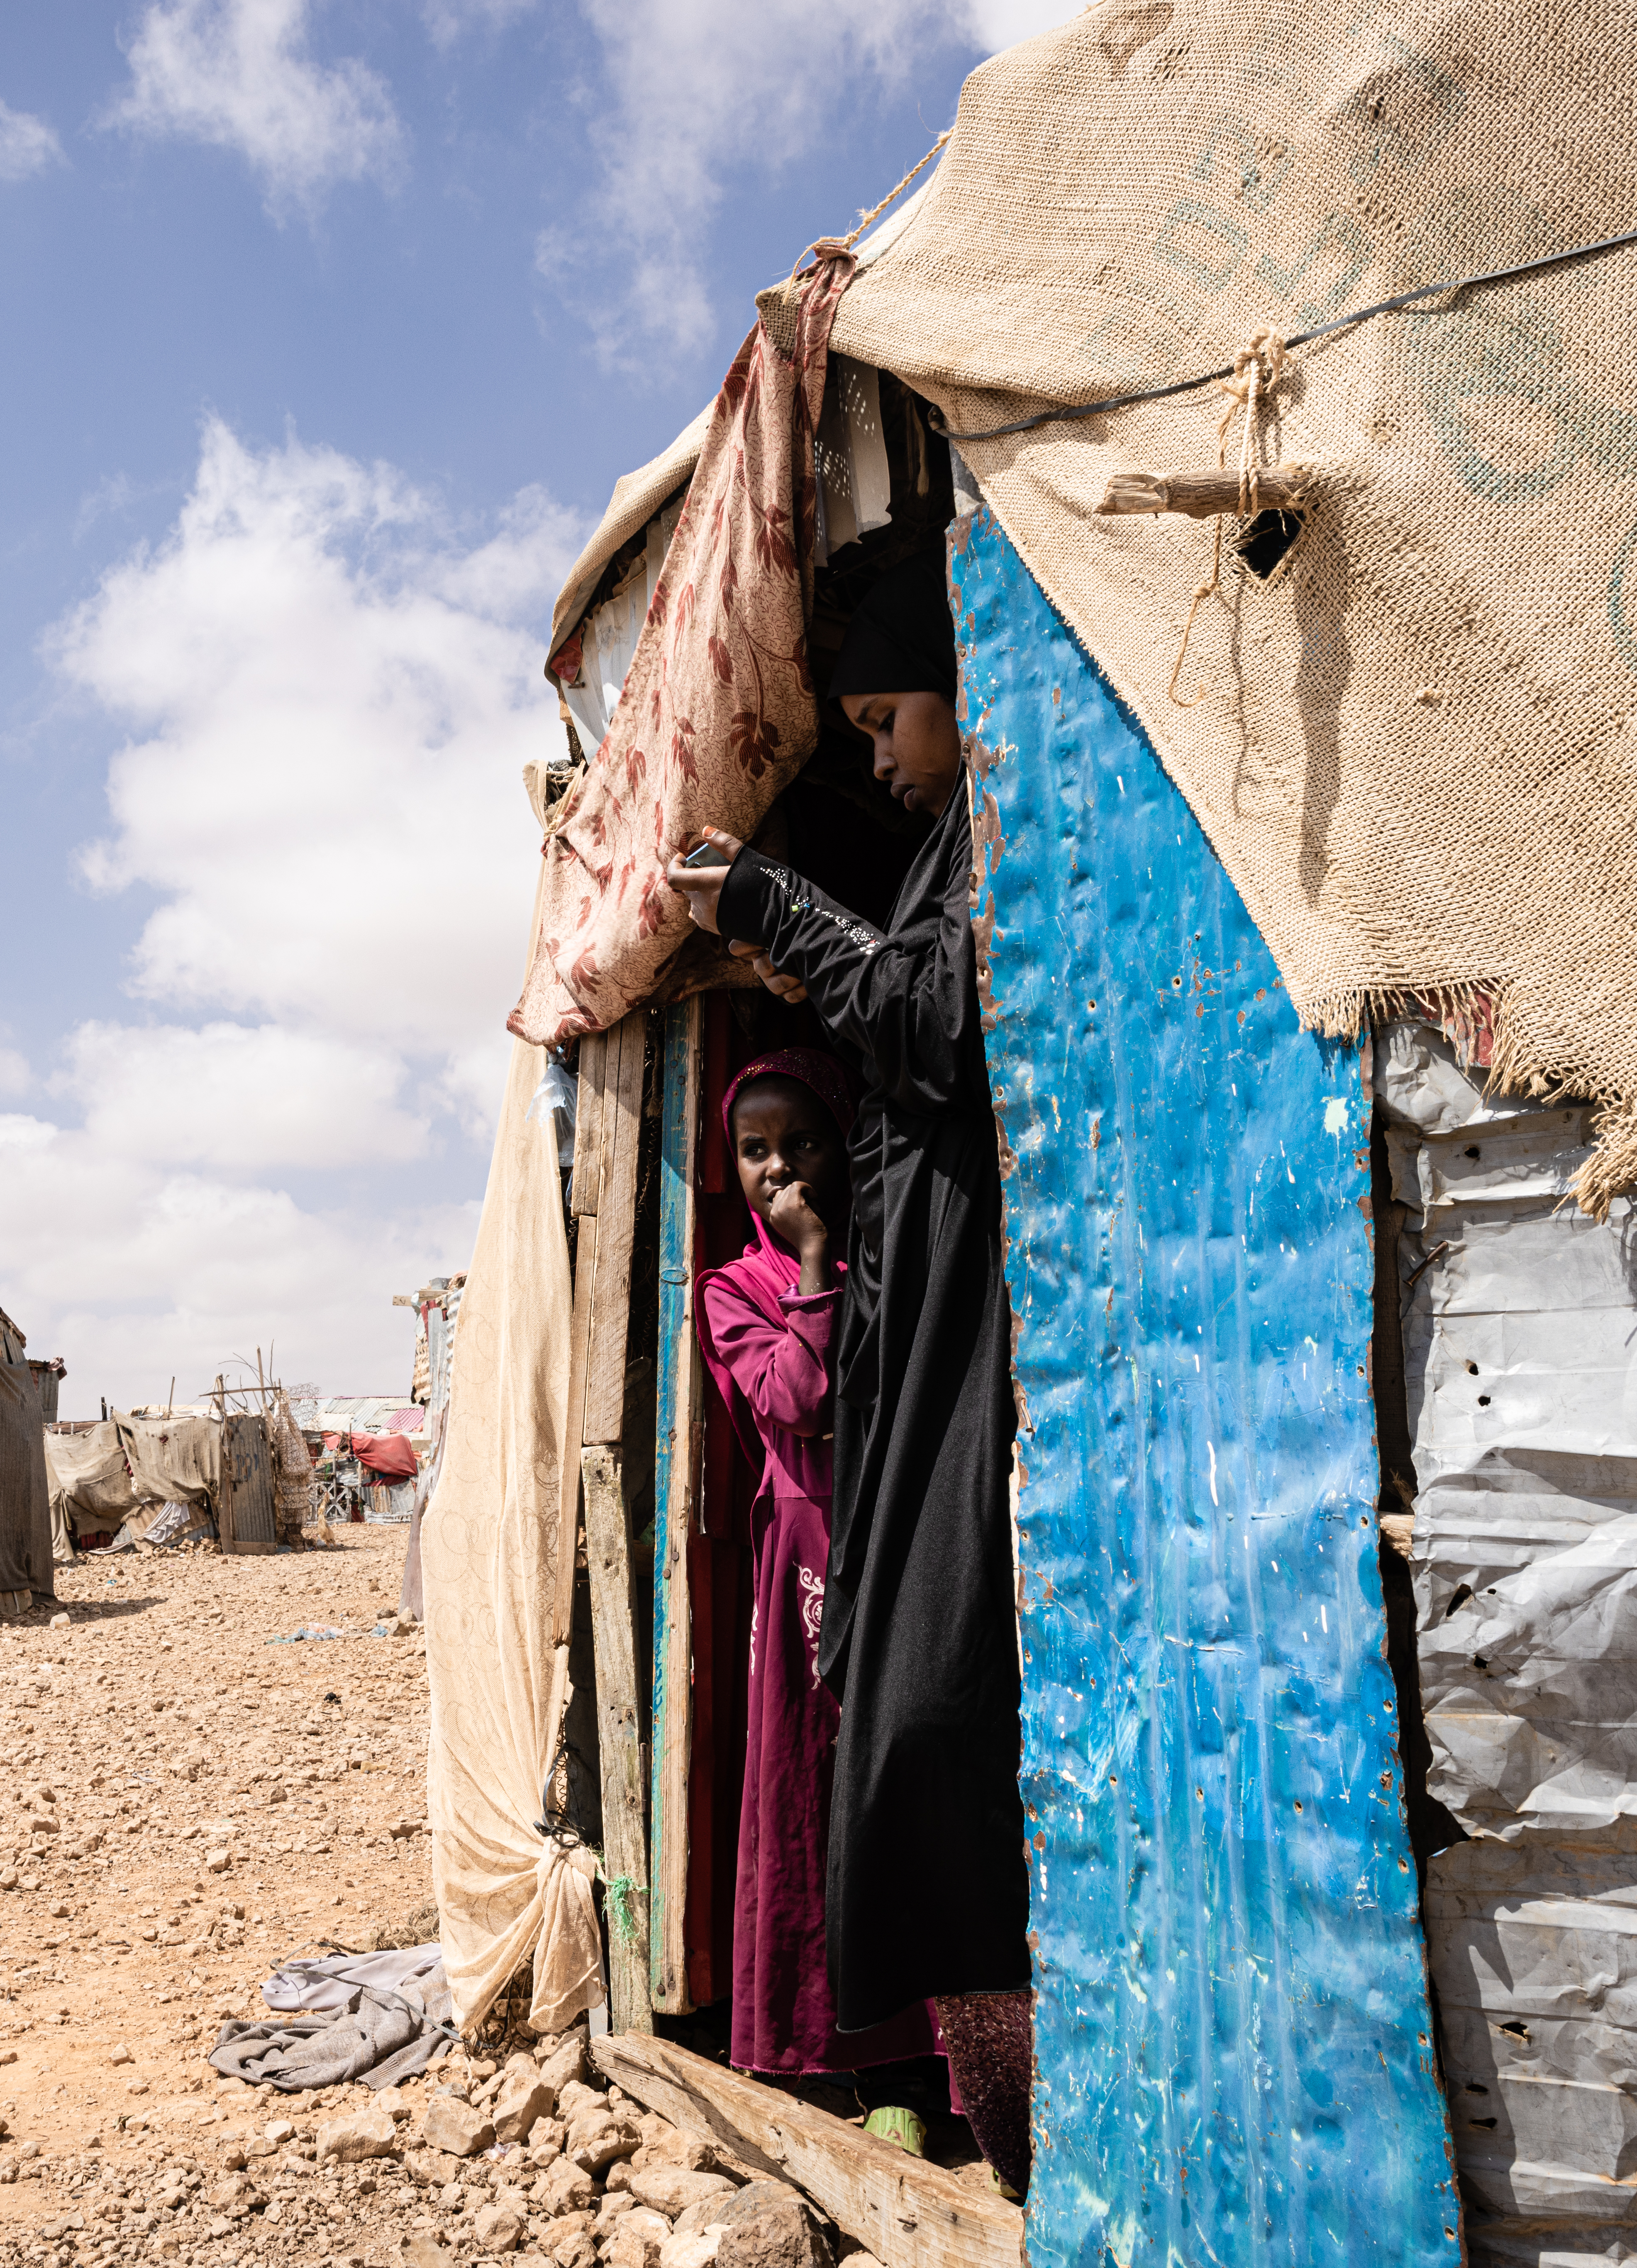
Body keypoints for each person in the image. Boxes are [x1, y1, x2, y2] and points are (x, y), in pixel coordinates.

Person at [659, 558, 1034, 2201]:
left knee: (934, 1714)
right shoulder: (735, 1288)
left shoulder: (998, 840)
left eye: (888, 718)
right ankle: (941, 2072)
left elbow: (935, 1013)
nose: (879, 755)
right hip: (886, 1395)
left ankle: (999, 2095)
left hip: (955, 1339)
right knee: (881, 1736)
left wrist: (774, 905)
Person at [694, 1046, 942, 2101]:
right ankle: (834, 2055)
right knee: (815, 1791)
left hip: (903, 1539)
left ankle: (930, 2055)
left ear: (844, 1145)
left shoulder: (894, 1260)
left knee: (904, 1779)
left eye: (801, 1141)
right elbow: (799, 1399)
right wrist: (808, 1260)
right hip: (807, 1555)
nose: (779, 1166)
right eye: (754, 1148)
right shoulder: (732, 1288)